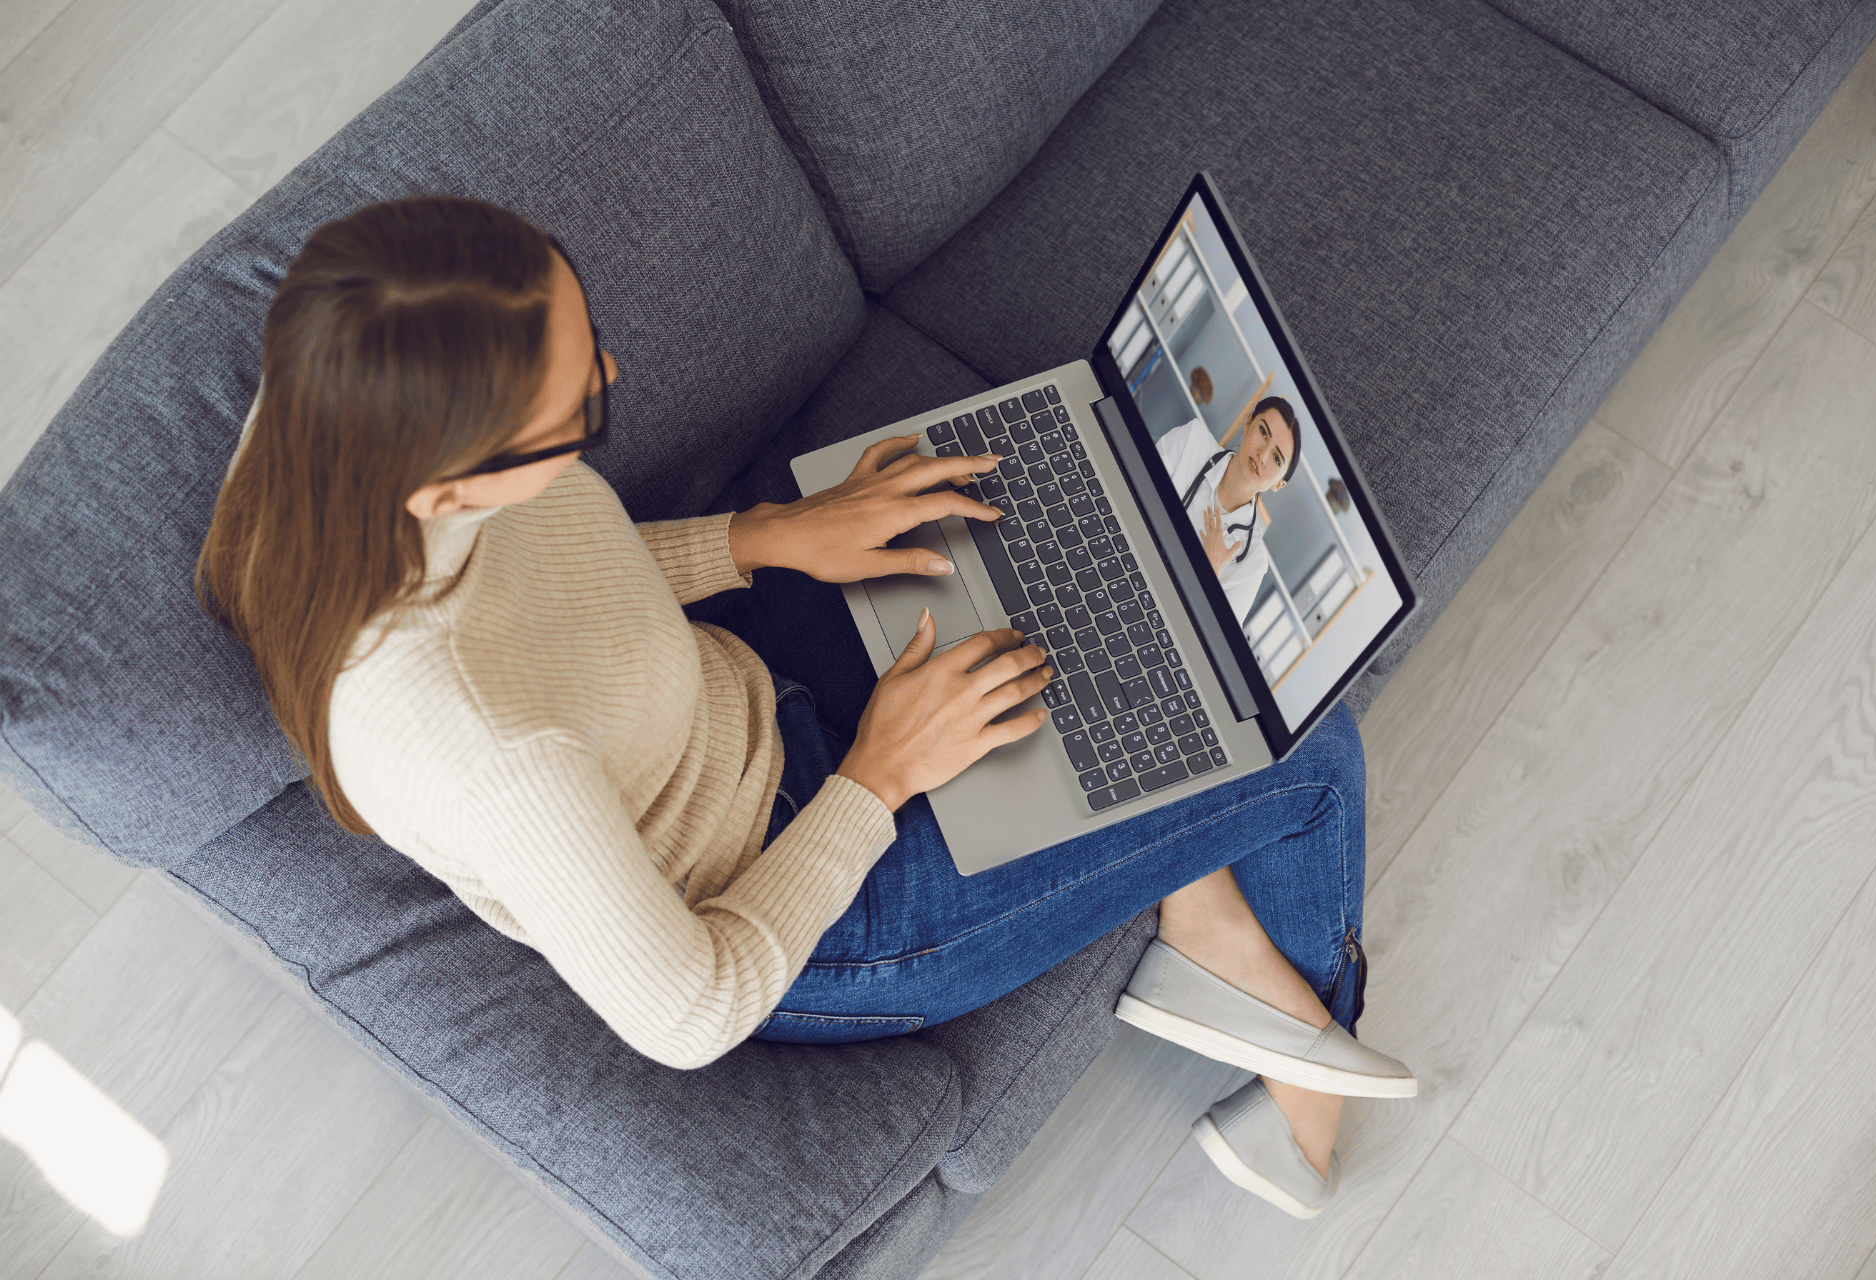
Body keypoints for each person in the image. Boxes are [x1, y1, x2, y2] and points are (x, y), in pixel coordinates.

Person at [197, 197, 1413, 1219]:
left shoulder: (324, 416)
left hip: (750, 686)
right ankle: (1299, 1043)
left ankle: (1187, 892)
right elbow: (693, 1006)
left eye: (590, 338)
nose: (613, 376)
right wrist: (880, 775)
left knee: (1086, 584)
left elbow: (565, 598)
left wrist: (767, 537)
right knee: (1297, 737)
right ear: (449, 484)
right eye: (580, 411)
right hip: (800, 907)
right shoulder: (474, 745)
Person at [1155, 397, 1301, 622]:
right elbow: (1130, 491)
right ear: (1247, 423)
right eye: (1263, 432)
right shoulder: (1192, 441)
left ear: (1278, 485)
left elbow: (1208, 639)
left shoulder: (1253, 563)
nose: (1262, 456)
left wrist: (1211, 570)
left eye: (1276, 458)